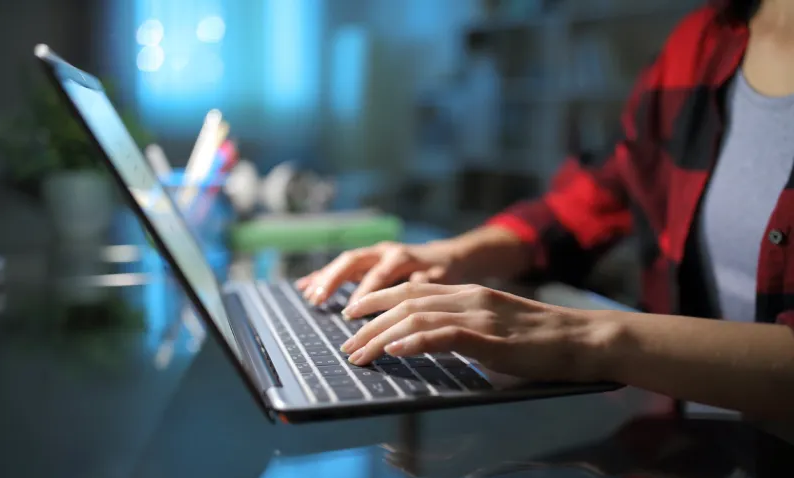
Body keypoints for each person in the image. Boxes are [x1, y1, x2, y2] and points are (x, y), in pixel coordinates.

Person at [298, 0, 794, 420]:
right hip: (690, 452)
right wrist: (456, 253)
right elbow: (612, 185)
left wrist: (583, 336)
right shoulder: (704, 39)